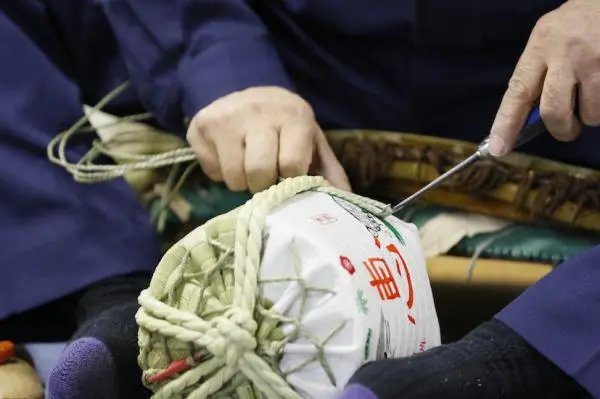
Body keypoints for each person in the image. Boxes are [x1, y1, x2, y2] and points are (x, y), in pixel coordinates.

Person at [1, 0, 598, 398]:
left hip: (558, 97)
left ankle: (515, 365)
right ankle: (113, 295)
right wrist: (219, 65)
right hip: (303, 58)